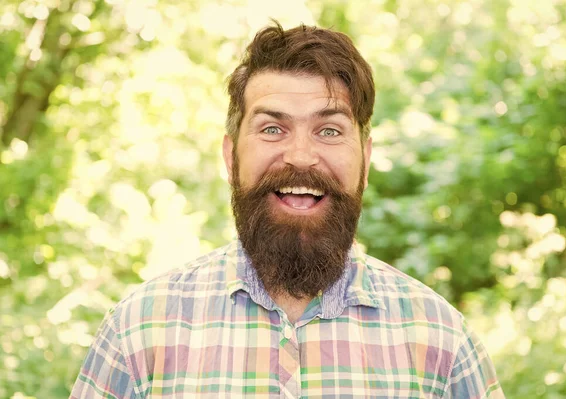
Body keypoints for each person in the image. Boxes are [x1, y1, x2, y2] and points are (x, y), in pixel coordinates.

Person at [70, 22, 504, 398]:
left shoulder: (442, 341)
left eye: (329, 130)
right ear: (230, 157)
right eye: (272, 128)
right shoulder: (138, 331)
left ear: (365, 161)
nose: (300, 156)